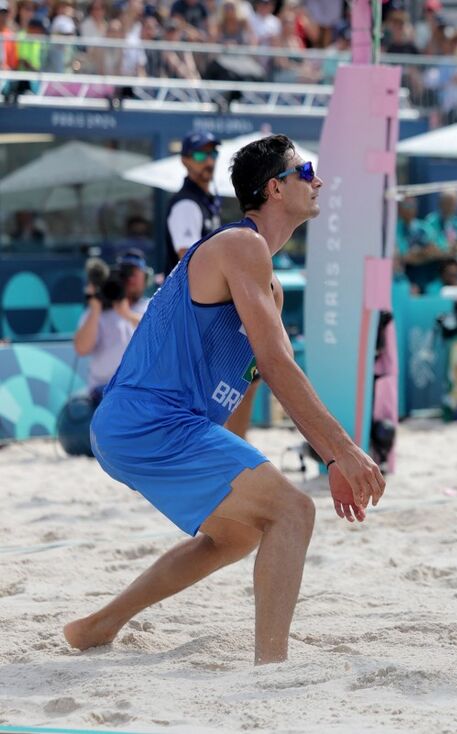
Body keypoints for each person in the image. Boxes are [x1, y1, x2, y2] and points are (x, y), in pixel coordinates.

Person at [64, 135, 385, 665]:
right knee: (293, 513)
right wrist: (340, 453)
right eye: (307, 170)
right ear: (274, 189)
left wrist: (264, 459)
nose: (319, 179)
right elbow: (279, 366)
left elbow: (256, 378)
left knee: (236, 536)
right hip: (149, 419)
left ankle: (98, 626)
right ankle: (270, 672)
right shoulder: (240, 246)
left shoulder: (266, 280)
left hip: (154, 423)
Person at [73, 251, 149, 405]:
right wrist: (95, 308)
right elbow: (81, 349)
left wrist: (126, 313)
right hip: (103, 394)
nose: (131, 278)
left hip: (144, 392)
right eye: (127, 273)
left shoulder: (152, 306)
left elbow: (160, 334)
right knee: (76, 410)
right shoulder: (97, 312)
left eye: (136, 273)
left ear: (145, 278)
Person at [164, 130, 222, 277]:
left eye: (213, 154)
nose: (209, 162)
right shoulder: (185, 205)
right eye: (200, 155)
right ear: (184, 160)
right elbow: (191, 263)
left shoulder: (206, 200)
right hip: (188, 298)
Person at [422, 188, 457, 270]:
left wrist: (449, 249)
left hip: (454, 271)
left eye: (454, 204)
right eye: (448, 203)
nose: (451, 207)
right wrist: (454, 250)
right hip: (434, 271)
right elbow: (430, 250)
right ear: (440, 203)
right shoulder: (430, 221)